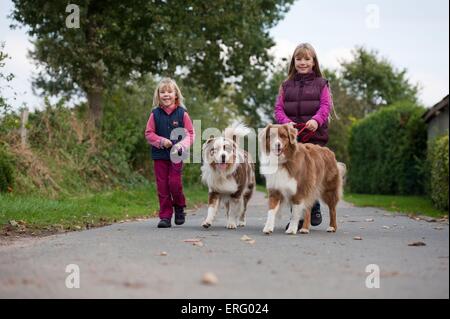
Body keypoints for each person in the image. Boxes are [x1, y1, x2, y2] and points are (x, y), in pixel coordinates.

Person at [274, 43, 333, 230]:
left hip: (314, 135)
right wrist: (285, 122)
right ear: (294, 61)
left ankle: (313, 206)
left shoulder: (322, 84)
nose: (303, 62)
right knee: (293, 176)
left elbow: (325, 106)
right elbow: (278, 109)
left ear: (314, 62)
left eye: (307, 59)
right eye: (299, 59)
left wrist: (316, 120)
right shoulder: (285, 85)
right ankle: (297, 218)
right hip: (292, 138)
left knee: (309, 175)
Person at [145, 78, 195, 228]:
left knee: (174, 183)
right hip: (159, 155)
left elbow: (191, 134)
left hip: (177, 155)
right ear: (158, 95)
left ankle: (179, 206)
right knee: (162, 186)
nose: (166, 94)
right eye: (162, 92)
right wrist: (161, 141)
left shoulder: (182, 114)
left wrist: (180, 145)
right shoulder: (155, 114)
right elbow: (149, 133)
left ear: (176, 95)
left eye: (169, 91)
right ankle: (165, 216)